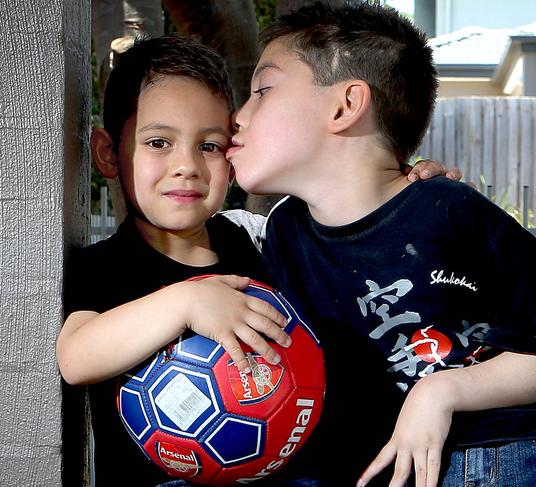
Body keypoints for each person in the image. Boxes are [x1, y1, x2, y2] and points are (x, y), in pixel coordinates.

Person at [228, 3, 536, 486]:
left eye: (262, 91)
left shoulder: (449, 210)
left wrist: (442, 391)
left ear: (344, 106)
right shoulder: (283, 234)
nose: (238, 116)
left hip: (512, 452)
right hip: (384, 468)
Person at [56, 35, 448, 486]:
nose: (187, 165)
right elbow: (75, 357)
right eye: (159, 142)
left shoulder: (258, 242)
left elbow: (350, 235)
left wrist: (403, 195)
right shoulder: (108, 266)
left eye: (210, 146)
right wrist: (186, 303)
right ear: (108, 153)